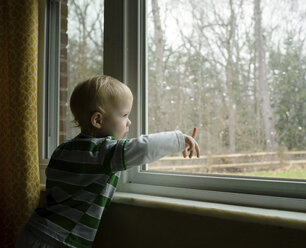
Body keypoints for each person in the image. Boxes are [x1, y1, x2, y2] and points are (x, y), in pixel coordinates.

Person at [16, 75, 200, 248]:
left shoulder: (63, 149)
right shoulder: (103, 152)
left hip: (33, 230)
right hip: (61, 239)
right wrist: (179, 139)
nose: (128, 122)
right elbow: (143, 148)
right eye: (124, 115)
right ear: (98, 119)